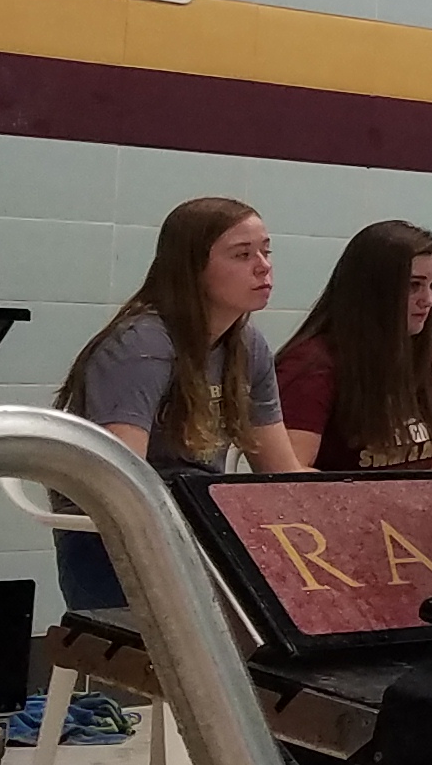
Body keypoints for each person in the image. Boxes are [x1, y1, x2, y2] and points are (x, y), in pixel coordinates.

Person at [51, 197, 304, 603]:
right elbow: (121, 486)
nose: (263, 266)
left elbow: (282, 475)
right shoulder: (142, 345)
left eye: (266, 251)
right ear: (192, 268)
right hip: (110, 536)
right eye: (242, 255)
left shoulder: (247, 345)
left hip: (196, 522)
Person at [275, 220, 432, 470]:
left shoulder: (411, 353)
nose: (429, 300)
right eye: (414, 286)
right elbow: (291, 474)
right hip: (347, 495)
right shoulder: (312, 364)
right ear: (373, 290)